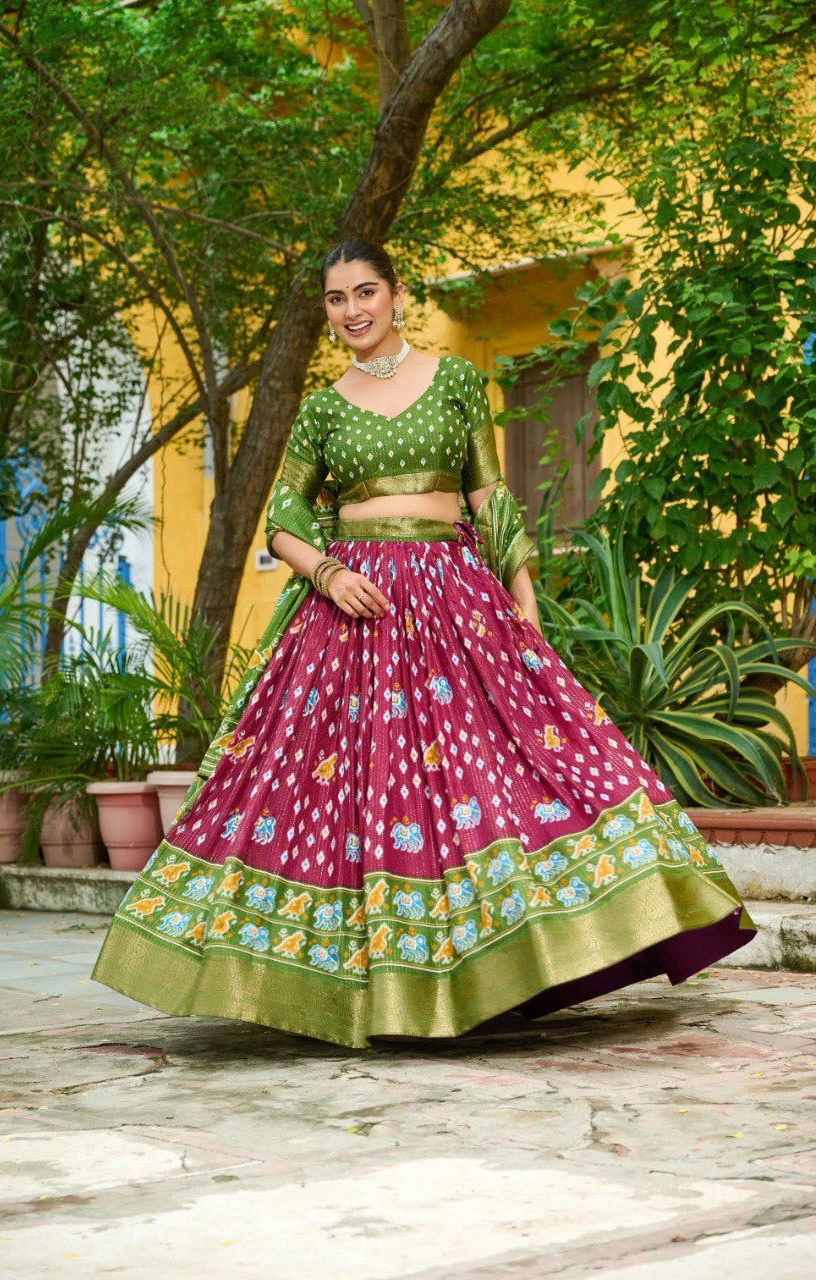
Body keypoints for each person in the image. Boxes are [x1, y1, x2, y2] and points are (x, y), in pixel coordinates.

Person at [91, 237, 756, 1048]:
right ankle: (365, 989)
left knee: (487, 776)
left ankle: (502, 964)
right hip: (352, 613)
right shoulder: (322, 407)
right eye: (336, 300)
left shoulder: (454, 381)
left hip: (453, 603)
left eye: (365, 292)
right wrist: (328, 576)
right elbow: (286, 519)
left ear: (396, 293)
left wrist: (524, 604)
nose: (352, 312)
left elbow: (489, 496)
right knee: (358, 793)